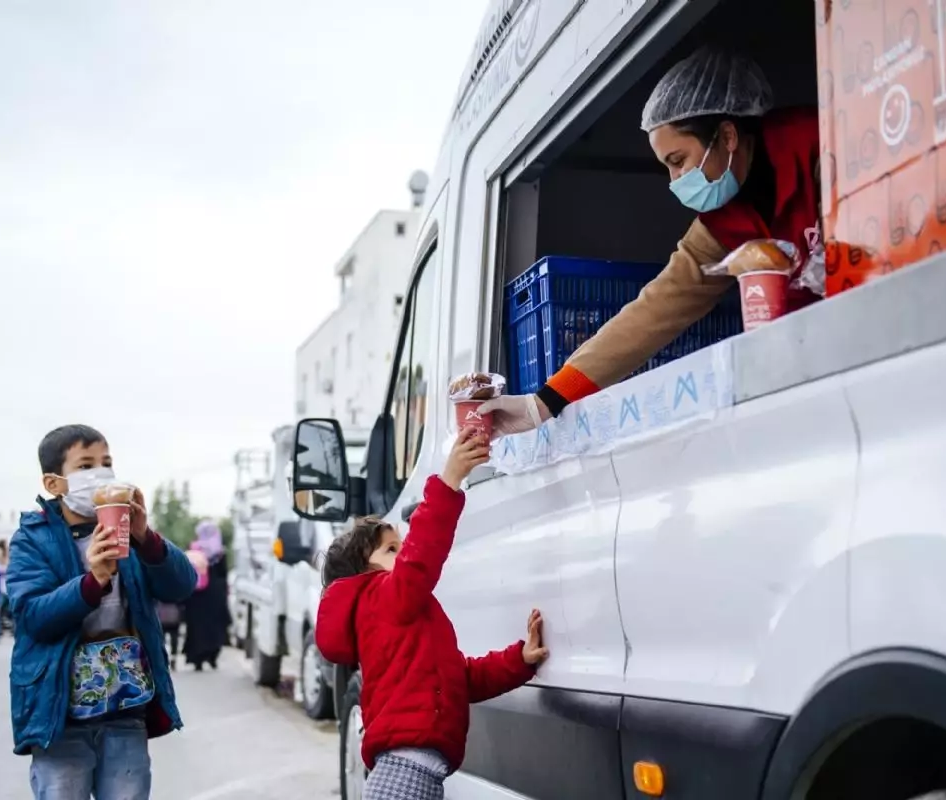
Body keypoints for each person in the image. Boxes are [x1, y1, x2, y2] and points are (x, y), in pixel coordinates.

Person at [482, 46, 821, 434]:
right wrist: (543, 403)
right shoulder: (721, 223)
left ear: (727, 135)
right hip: (804, 377)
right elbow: (654, 311)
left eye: (678, 161)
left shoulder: (818, 146)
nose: (675, 181)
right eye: (667, 168)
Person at [317, 430, 550, 800]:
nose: (405, 552)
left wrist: (518, 660)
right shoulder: (381, 597)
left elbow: (461, 679)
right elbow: (422, 556)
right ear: (364, 574)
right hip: (403, 771)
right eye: (393, 549)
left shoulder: (404, 618)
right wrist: (449, 481)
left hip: (414, 771)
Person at [7, 424, 197, 800]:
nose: (101, 472)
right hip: (61, 718)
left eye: (107, 462)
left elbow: (182, 586)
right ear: (54, 483)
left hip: (126, 711)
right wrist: (91, 582)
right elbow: (32, 616)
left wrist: (148, 539)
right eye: (86, 465)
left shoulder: (125, 533)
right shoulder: (33, 538)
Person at [182, 520, 231, 671]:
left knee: (196, 627)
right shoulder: (219, 552)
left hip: (195, 595)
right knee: (214, 627)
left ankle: (197, 658)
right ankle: (212, 656)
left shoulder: (194, 549)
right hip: (215, 595)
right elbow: (223, 574)